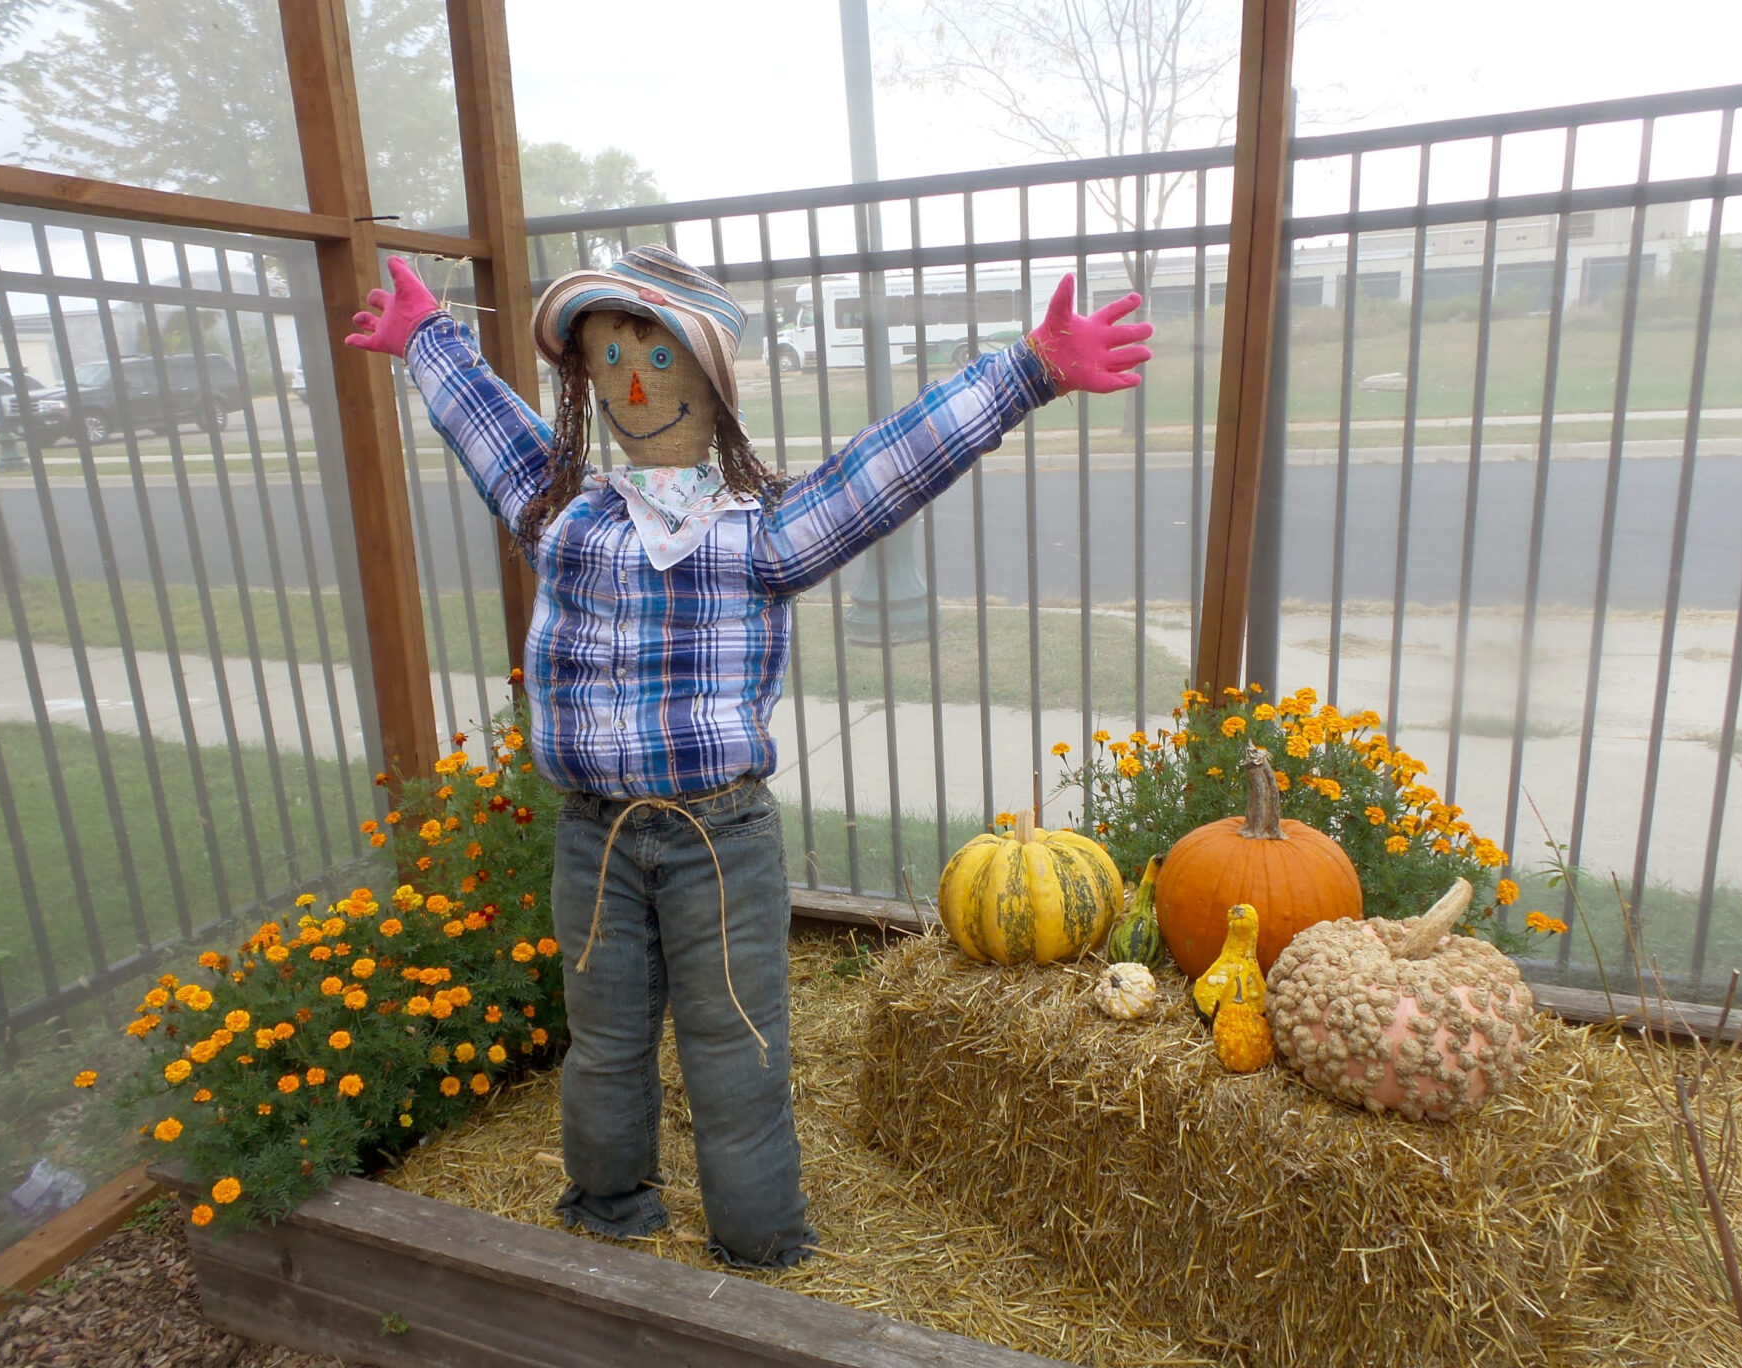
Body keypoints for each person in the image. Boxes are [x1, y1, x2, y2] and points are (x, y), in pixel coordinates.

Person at [347, 245, 1150, 1267]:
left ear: (708, 378)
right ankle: (605, 1206)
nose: (633, 380)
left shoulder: (760, 536)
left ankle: (759, 1243)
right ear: (587, 376)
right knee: (602, 1040)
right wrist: (427, 340)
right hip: (592, 837)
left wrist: (1026, 371)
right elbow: (490, 430)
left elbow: (886, 469)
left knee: (737, 1049)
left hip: (716, 841)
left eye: (657, 353)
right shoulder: (566, 515)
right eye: (609, 355)